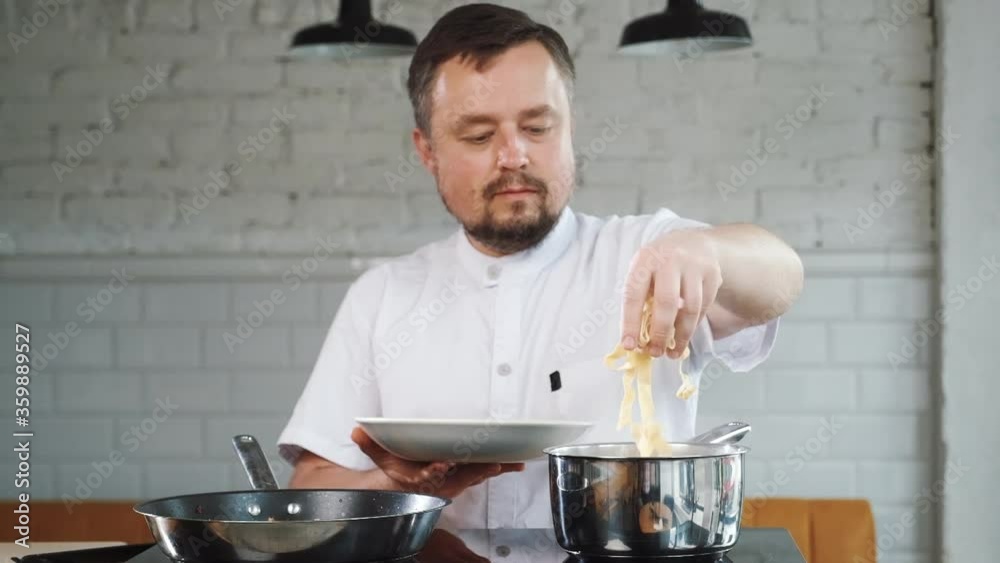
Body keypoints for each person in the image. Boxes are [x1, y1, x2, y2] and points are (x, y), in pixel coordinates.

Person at [277, 3, 803, 530]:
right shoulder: (382, 295)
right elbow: (309, 491)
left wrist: (706, 250)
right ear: (427, 150)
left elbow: (780, 275)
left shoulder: (646, 252)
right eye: (479, 136)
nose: (513, 156)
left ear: (569, 129)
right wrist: (399, 484)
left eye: (537, 127)